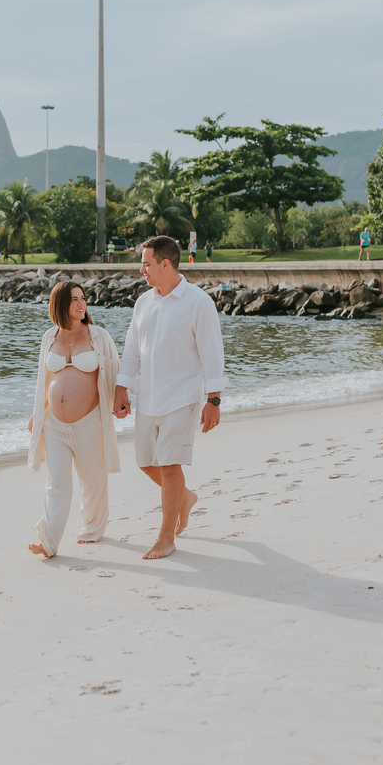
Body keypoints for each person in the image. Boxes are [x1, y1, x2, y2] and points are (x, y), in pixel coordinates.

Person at [114, 235, 227, 560]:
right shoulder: (144, 303)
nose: (141, 269)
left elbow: (212, 353)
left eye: (146, 263)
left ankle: (166, 537)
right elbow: (133, 351)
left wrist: (214, 398)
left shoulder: (198, 302)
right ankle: (186, 497)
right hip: (148, 396)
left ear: (165, 264)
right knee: (145, 462)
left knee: (168, 465)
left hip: (183, 398)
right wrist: (122, 387)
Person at [27, 281, 122, 558]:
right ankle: (48, 541)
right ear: (60, 305)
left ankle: (92, 527)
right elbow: (44, 380)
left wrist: (121, 398)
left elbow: (114, 370)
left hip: (89, 421)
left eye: (83, 298)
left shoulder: (98, 336)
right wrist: (37, 412)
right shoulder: (49, 337)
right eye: (74, 300)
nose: (82, 304)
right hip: (53, 424)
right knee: (57, 483)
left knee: (92, 480)